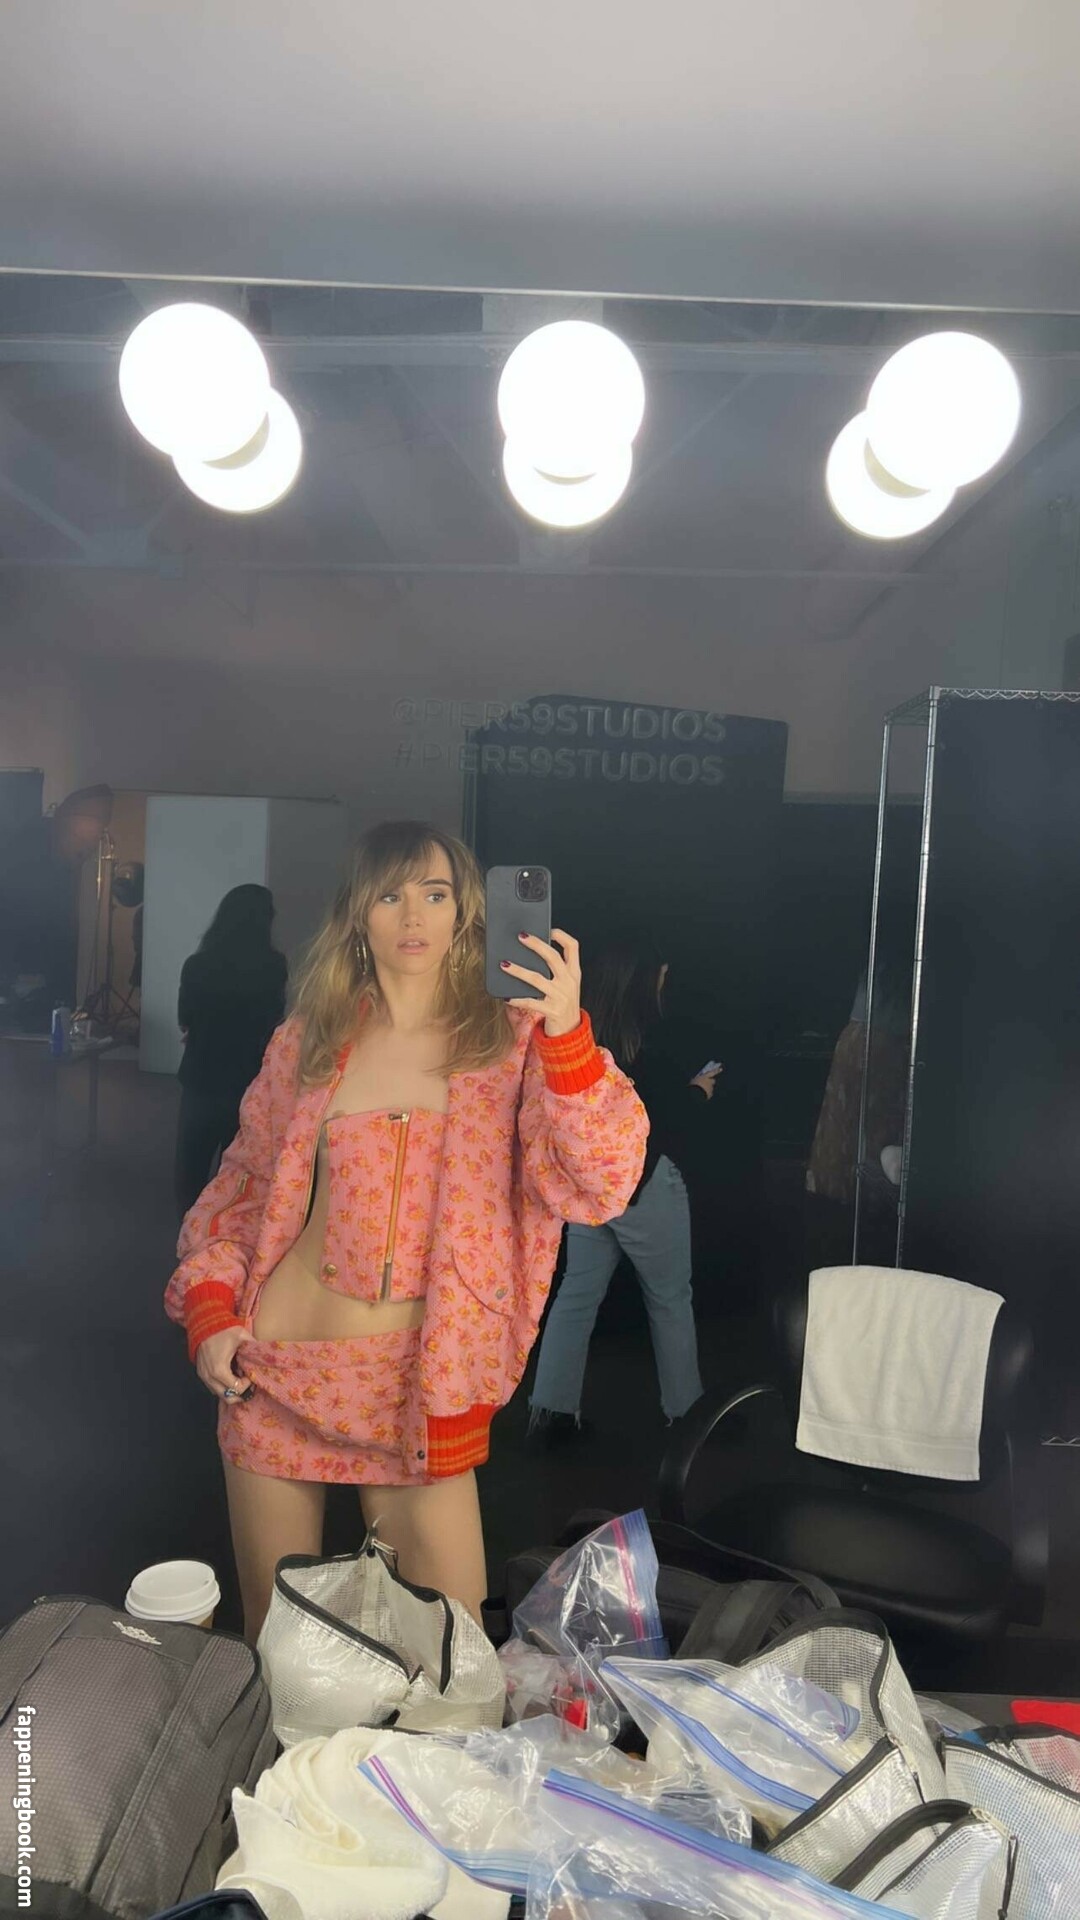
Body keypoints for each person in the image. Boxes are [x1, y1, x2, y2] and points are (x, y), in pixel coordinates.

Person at [164, 822, 647, 1639]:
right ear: (358, 914)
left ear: (466, 911)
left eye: (436, 893)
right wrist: (211, 1309)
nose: (414, 915)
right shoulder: (310, 1040)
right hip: (277, 1369)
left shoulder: (511, 1039)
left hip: (418, 1388)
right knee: (278, 1649)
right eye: (390, 895)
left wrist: (567, 1032)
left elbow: (602, 1181)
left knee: (453, 1666)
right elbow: (241, 1187)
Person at [528, 937, 714, 1437]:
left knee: (576, 1294)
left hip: (586, 1190)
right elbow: (659, 1121)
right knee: (670, 1298)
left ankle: (550, 1414)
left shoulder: (582, 1042)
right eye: (660, 978)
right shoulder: (655, 1045)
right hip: (645, 1187)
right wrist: (697, 1093)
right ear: (644, 983)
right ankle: (687, 1415)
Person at [174, 885, 288, 1219]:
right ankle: (223, 1227)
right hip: (248, 1077)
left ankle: (189, 1226)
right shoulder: (274, 965)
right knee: (236, 1166)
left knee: (191, 1164)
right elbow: (275, 1019)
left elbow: (185, 1019)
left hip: (202, 1074)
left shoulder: (197, 965)